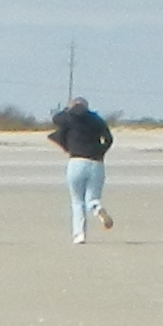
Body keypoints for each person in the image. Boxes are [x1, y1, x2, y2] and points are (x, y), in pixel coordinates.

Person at [51, 95, 114, 241]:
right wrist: (101, 151)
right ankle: (97, 208)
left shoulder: (68, 118)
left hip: (76, 161)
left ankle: (79, 235)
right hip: (96, 162)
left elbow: (56, 119)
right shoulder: (96, 119)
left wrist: (68, 109)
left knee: (77, 201)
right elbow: (109, 139)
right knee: (92, 198)